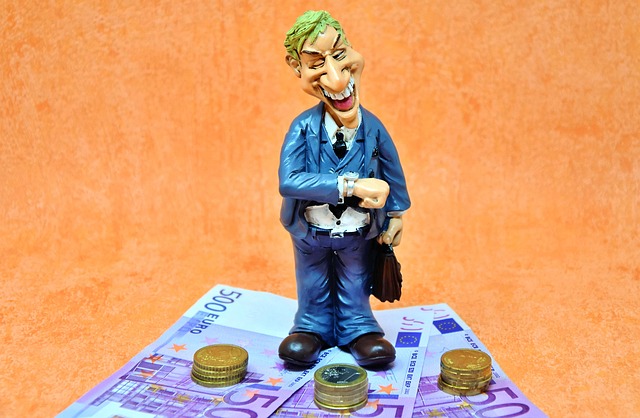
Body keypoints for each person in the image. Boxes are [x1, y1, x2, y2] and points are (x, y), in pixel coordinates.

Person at [278, 10, 410, 368]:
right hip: (311, 229)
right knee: (312, 278)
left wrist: (396, 215)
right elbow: (289, 181)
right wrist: (349, 185)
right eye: (316, 64)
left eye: (339, 55)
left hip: (357, 230)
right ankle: (311, 326)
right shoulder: (302, 129)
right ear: (296, 68)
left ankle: (358, 327)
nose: (337, 80)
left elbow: (393, 172)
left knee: (356, 277)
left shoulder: (374, 129)